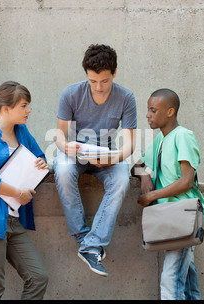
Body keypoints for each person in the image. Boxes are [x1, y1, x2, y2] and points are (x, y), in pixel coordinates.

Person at [53, 44, 137, 276]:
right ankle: (85, 239)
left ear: (114, 73)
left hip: (108, 156)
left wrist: (113, 158)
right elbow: (60, 134)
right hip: (76, 153)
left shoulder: (126, 98)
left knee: (122, 179)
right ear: (86, 76)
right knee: (61, 168)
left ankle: (92, 245)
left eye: (104, 81)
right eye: (93, 81)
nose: (98, 87)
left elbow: (129, 144)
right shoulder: (70, 94)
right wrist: (65, 146)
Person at [0, 81, 49, 299]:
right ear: (6, 108)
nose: (28, 110)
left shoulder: (22, 132)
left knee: (38, 277)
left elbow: (39, 156)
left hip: (15, 221)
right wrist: (17, 193)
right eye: (23, 106)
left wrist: (42, 163)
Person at [131, 88, 204, 300]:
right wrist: (146, 177)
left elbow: (186, 180)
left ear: (170, 111)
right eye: (148, 109)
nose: (148, 115)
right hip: (170, 217)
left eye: (153, 110)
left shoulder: (183, 136)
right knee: (188, 280)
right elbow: (137, 165)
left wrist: (150, 196)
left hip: (184, 216)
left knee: (170, 280)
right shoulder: (160, 140)